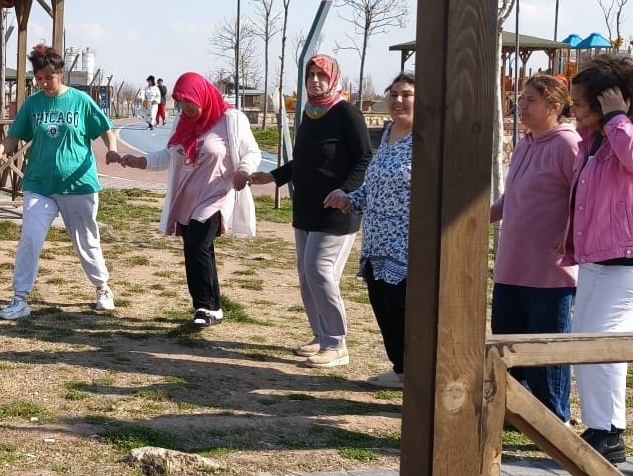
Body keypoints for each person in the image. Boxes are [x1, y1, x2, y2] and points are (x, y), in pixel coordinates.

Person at [563, 53, 633, 464]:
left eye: (579, 103)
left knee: (603, 342)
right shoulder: (591, 142)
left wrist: (616, 118)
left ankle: (611, 433)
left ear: (609, 99)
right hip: (597, 257)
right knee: (583, 342)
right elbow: (585, 197)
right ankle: (598, 427)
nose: (572, 110)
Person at [0, 45, 123, 320]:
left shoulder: (80, 101)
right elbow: (14, 136)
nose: (44, 83)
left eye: (49, 77)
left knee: (85, 240)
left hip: (78, 184)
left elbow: (105, 129)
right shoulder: (33, 104)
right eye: (39, 78)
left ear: (60, 73)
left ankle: (102, 287)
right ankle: (20, 299)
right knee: (30, 240)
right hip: (39, 184)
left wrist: (112, 149)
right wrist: (1, 149)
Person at [250, 54, 370, 368]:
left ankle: (337, 344)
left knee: (319, 272)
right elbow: (303, 161)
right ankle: (321, 336)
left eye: (322, 75)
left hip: (337, 211)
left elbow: (364, 159)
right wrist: (274, 177)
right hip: (305, 210)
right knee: (306, 277)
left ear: (334, 78)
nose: (315, 80)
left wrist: (345, 190)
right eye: (311, 74)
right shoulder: (310, 114)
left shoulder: (347, 114)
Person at [121, 72, 261, 328]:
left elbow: (251, 151)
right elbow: (169, 154)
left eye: (190, 101)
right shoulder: (182, 122)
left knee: (196, 242)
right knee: (200, 248)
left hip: (217, 194)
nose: (185, 108)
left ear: (203, 96)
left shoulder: (230, 119)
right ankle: (215, 306)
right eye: (181, 102)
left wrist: (243, 169)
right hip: (187, 196)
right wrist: (141, 162)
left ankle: (203, 307)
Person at [489, 74, 581, 420]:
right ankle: (520, 415)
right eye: (520, 99)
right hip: (512, 265)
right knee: (509, 348)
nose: (521, 106)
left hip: (550, 271)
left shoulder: (568, 145)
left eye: (530, 101)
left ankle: (556, 421)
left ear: (554, 107)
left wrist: (572, 232)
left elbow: (583, 196)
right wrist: (481, 217)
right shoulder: (525, 143)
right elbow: (512, 197)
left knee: (546, 352)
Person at [327, 74, 415, 388]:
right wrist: (349, 199)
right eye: (393, 94)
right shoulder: (389, 133)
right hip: (376, 241)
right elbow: (375, 185)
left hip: (406, 245)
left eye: (406, 94)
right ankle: (402, 369)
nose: (398, 101)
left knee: (402, 311)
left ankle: (417, 374)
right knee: (383, 308)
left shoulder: (426, 139)